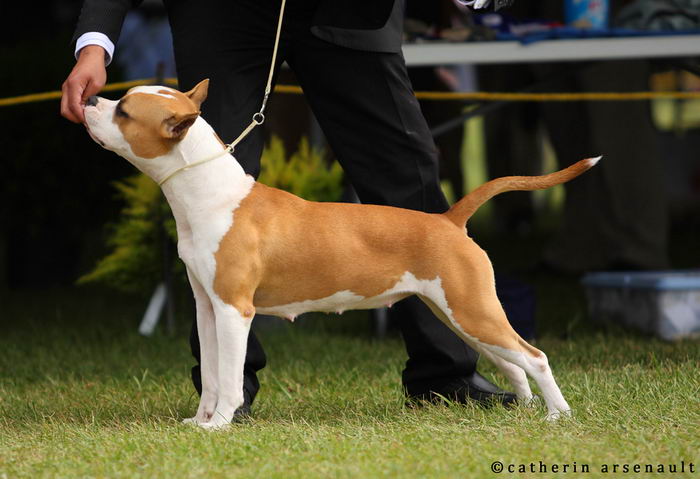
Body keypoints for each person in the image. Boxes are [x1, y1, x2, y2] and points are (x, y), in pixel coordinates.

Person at [61, 0, 516, 419]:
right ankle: (224, 397)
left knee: (406, 175)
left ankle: (446, 376)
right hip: (222, 15)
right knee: (210, 204)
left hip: (350, 11)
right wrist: (95, 43)